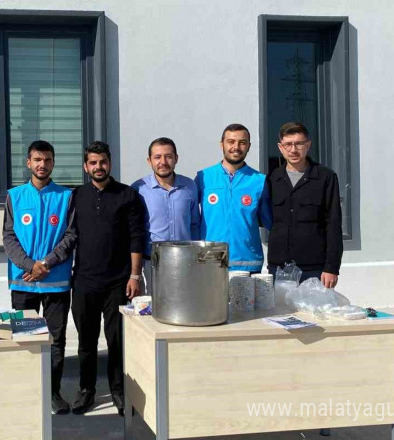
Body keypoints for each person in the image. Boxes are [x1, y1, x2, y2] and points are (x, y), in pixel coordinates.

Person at [71, 141, 145, 416]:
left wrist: (134, 275)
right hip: (84, 282)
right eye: (93, 162)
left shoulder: (127, 195)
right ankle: (86, 391)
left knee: (116, 340)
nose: (98, 167)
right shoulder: (76, 196)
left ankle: (118, 390)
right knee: (86, 342)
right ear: (85, 166)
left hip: (118, 281)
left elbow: (137, 237)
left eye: (102, 161)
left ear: (109, 163)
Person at [3, 140, 77, 414]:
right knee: (25, 338)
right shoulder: (14, 196)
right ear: (28, 163)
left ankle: (53, 392)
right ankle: (28, 391)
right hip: (23, 281)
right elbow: (8, 236)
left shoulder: (67, 197)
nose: (42, 164)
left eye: (47, 160)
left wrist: (45, 263)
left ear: (53, 163)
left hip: (56, 281)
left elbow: (71, 235)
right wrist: (29, 264)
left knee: (56, 340)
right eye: (37, 159)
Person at [265, 122, 343, 287]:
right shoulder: (273, 179)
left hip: (315, 269)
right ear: (280, 147)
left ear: (308, 145)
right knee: (280, 313)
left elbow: (333, 224)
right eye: (288, 144)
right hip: (279, 267)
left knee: (314, 313)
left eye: (299, 144)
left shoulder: (325, 177)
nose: (293, 150)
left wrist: (332, 267)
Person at [195, 124, 272, 273]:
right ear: (221, 144)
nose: (236, 147)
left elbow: (273, 223)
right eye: (231, 141)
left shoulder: (259, 181)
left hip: (248, 264)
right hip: (210, 262)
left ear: (249, 146)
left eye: (242, 142)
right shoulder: (204, 177)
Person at [132, 137, 200, 294]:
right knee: (152, 310)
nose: (163, 162)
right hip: (152, 263)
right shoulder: (138, 189)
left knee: (184, 305)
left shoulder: (189, 186)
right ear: (149, 161)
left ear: (176, 159)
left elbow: (194, 224)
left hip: (185, 261)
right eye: (157, 157)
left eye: (168, 156)